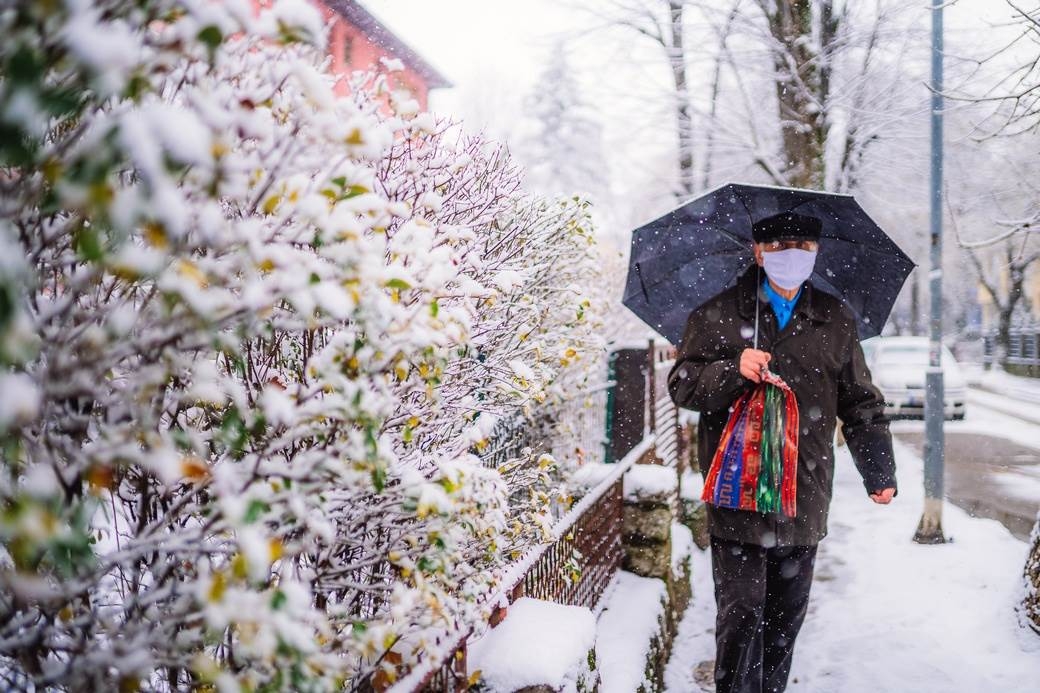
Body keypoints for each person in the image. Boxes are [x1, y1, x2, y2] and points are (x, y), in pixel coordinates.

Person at [667, 210, 897, 693]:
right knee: (742, 615)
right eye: (778, 248)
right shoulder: (717, 314)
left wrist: (878, 470)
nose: (792, 257)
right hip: (738, 493)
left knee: (783, 623)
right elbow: (682, 386)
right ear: (757, 252)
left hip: (804, 491)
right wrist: (733, 368)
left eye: (804, 248)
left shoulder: (833, 318)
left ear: (816, 254)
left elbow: (860, 402)